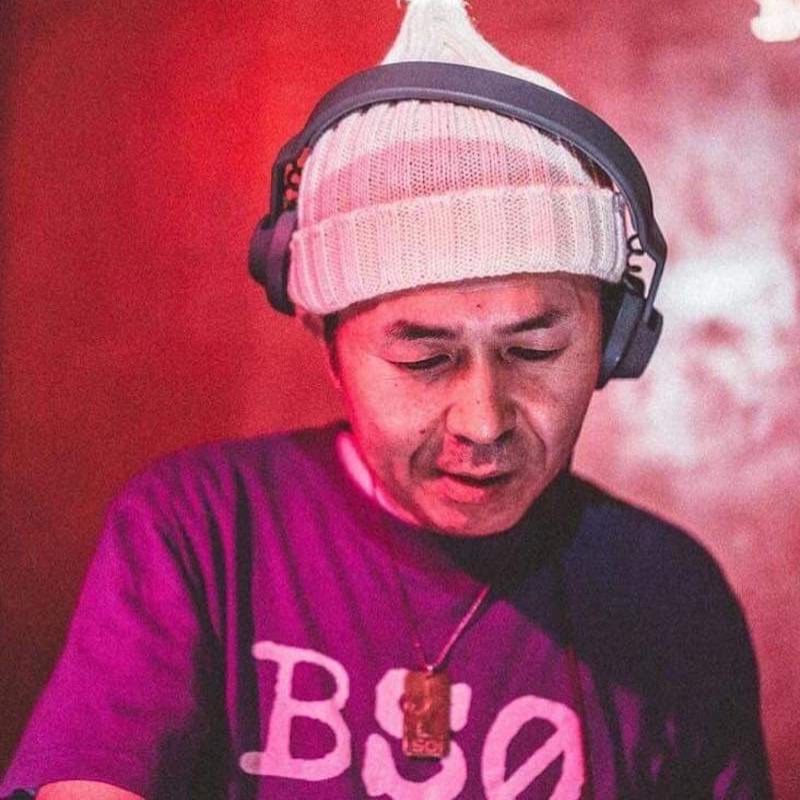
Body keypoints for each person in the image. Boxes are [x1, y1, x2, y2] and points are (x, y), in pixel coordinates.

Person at [1, 0, 772, 798]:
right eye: (424, 359)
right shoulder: (197, 529)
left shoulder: (670, 596)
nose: (484, 421)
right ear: (328, 345)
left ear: (615, 342)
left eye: (535, 351)